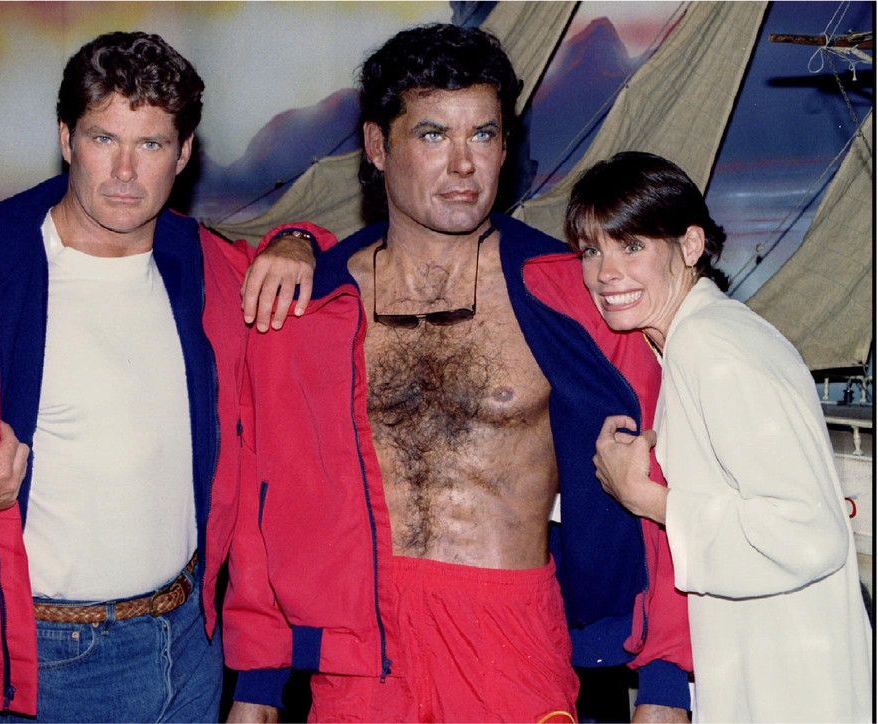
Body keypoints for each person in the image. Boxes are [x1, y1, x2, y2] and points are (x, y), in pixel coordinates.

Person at [0, 31, 332, 721]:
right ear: (66, 138)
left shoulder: (215, 274)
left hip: (192, 646)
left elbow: (271, 462)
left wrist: (301, 242)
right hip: (50, 663)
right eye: (104, 138)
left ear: (184, 153)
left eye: (151, 144)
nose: (125, 172)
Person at [225, 25, 692, 723]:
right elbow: (269, 490)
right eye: (434, 135)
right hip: (358, 655)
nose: (464, 164)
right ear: (378, 146)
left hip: (511, 644)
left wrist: (664, 684)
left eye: (484, 134)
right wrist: (258, 687)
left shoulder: (571, 295)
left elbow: (666, 469)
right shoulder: (313, 305)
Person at [567, 151, 873, 721]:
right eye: (591, 250)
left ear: (689, 246)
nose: (605, 272)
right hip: (776, 661)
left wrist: (646, 498)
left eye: (631, 245)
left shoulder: (710, 345)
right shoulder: (702, 336)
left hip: (789, 682)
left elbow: (808, 533)